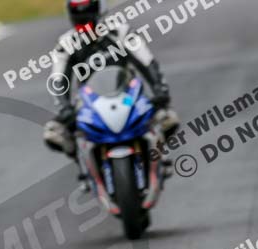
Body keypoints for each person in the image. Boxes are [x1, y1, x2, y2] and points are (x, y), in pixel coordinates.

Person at [43, 0, 180, 190]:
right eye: (78, 14)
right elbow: (58, 79)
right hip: (90, 101)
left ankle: (160, 159)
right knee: (55, 132)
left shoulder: (121, 31)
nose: (83, 19)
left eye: (87, 13)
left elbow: (146, 61)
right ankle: (84, 167)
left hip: (127, 93)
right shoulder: (66, 43)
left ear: (99, 10)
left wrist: (160, 90)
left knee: (168, 118)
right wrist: (64, 107)